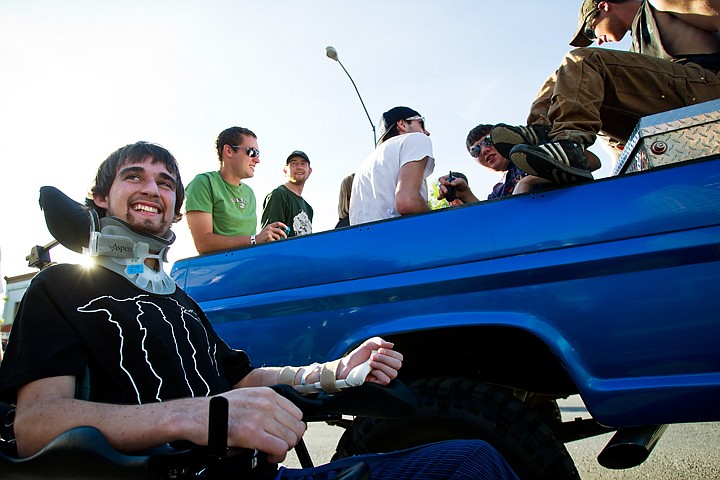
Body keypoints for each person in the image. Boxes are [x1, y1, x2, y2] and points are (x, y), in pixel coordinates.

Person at [0, 141, 519, 480]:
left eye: (164, 183)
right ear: (100, 198)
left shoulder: (180, 300)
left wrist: (332, 372)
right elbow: (38, 424)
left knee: (474, 459)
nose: (151, 189)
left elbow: (243, 379)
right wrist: (198, 415)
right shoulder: (61, 287)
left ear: (176, 208)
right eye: (134, 178)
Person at [490, 0, 720, 185]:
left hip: (706, 89)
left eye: (591, 30)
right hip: (671, 105)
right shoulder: (637, 52)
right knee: (567, 78)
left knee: (581, 60)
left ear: (604, 6)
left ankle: (568, 142)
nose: (596, 39)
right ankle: (542, 132)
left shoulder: (659, 5)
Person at [185, 127, 288, 254]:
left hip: (249, 266)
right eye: (251, 152)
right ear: (228, 151)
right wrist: (254, 240)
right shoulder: (204, 183)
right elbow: (203, 243)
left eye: (258, 154)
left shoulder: (249, 193)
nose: (257, 160)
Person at [349, 106, 434, 225]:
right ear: (402, 124)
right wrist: (440, 223)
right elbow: (407, 202)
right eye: (421, 124)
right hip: (403, 237)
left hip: (365, 241)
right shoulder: (416, 139)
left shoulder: (364, 166)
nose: (427, 132)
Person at [261, 150, 313, 237]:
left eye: (303, 163)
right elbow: (271, 239)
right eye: (293, 163)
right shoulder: (278, 195)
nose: (299, 167)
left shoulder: (309, 208)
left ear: (310, 171)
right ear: (285, 170)